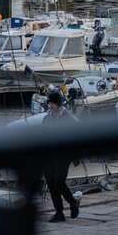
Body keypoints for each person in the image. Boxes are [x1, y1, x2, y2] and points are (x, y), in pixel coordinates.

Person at [42, 90, 80, 222]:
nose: (50, 106)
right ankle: (59, 212)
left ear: (57, 103)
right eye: (49, 103)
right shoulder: (47, 118)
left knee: (58, 181)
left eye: (52, 103)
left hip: (64, 155)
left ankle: (73, 202)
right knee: (51, 183)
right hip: (48, 155)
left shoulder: (68, 119)